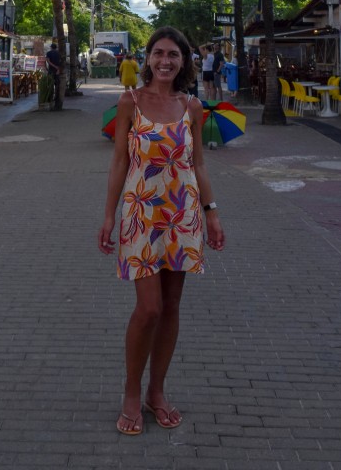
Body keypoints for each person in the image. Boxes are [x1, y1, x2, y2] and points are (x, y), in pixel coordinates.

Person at [98, 26, 225, 436]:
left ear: (184, 61)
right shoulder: (130, 102)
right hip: (141, 214)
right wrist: (109, 215)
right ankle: (131, 391)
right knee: (149, 308)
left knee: (171, 307)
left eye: (174, 54)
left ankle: (157, 391)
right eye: (159, 53)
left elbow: (198, 164)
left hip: (182, 214)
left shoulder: (192, 107)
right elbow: (120, 162)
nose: (165, 61)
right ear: (148, 57)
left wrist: (211, 213)